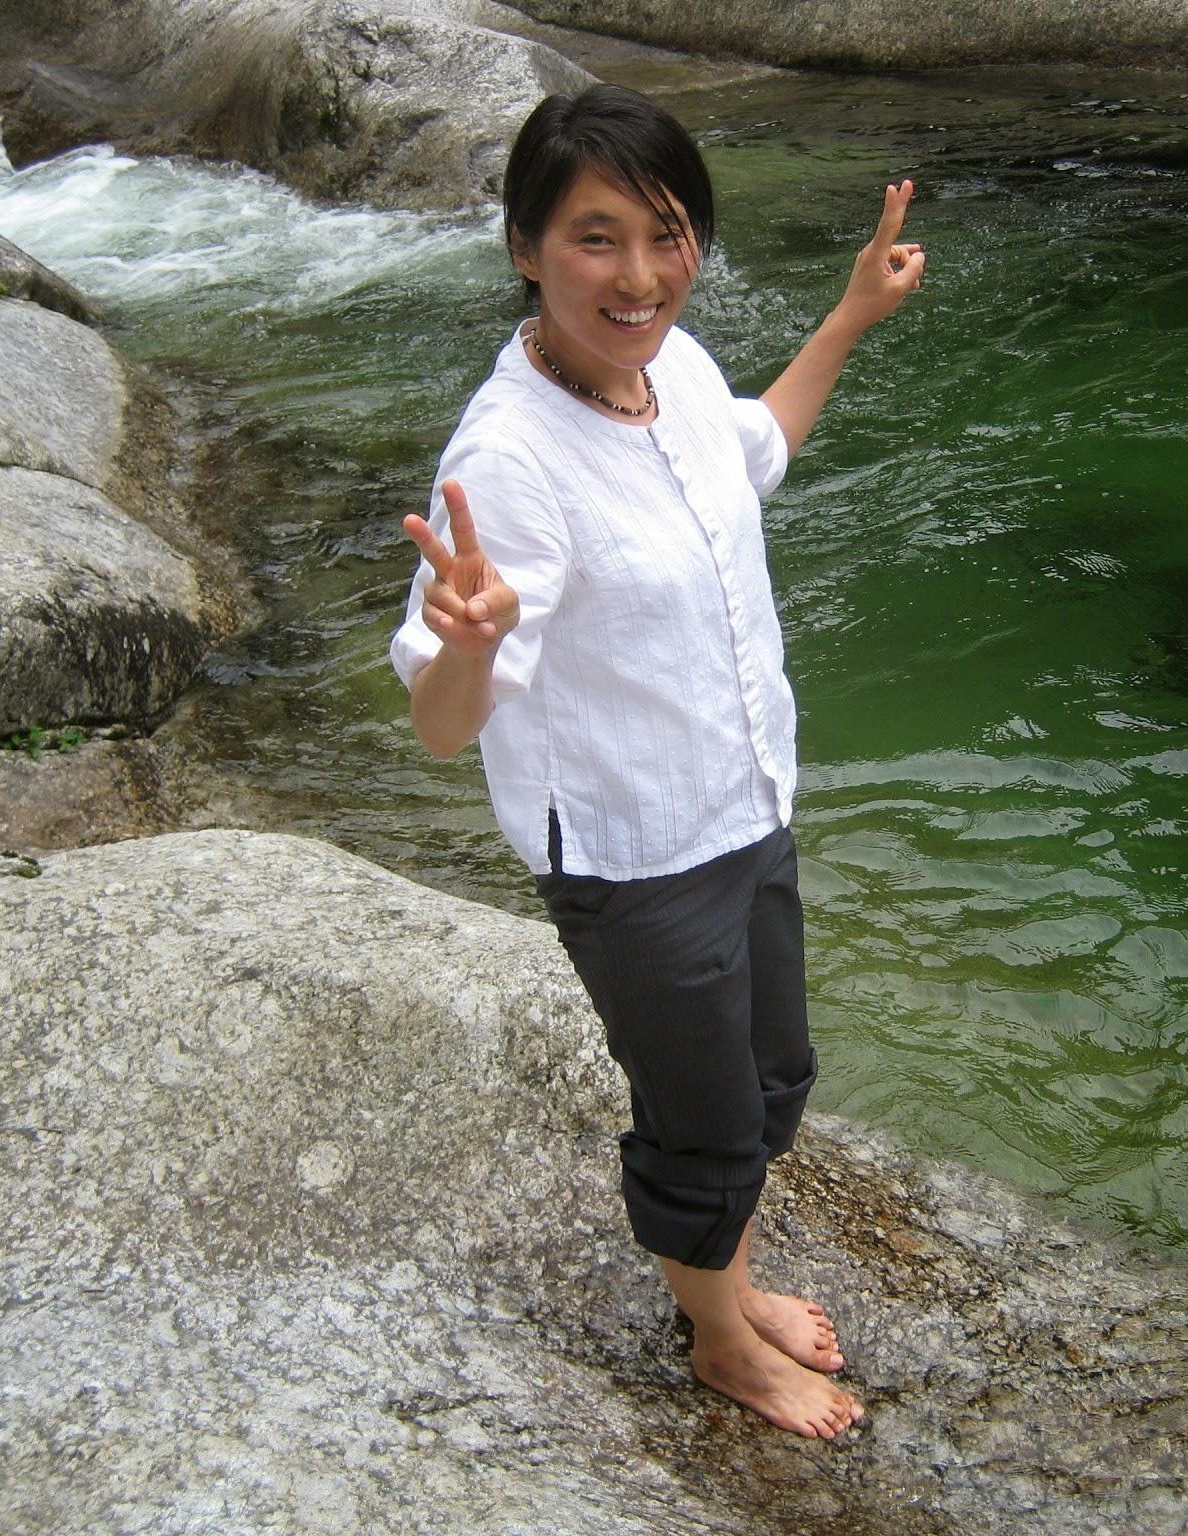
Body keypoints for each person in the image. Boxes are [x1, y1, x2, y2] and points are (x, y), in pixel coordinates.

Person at [389, 83, 923, 1440]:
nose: (640, 276)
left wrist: (853, 315)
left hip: (743, 802)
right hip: (636, 856)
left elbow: (756, 455)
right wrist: (468, 638)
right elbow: (447, 725)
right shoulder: (507, 460)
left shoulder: (668, 369)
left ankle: (724, 1283)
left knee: (773, 1078)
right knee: (703, 1122)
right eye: (596, 238)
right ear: (524, 246)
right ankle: (721, 1342)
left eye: (670, 234)